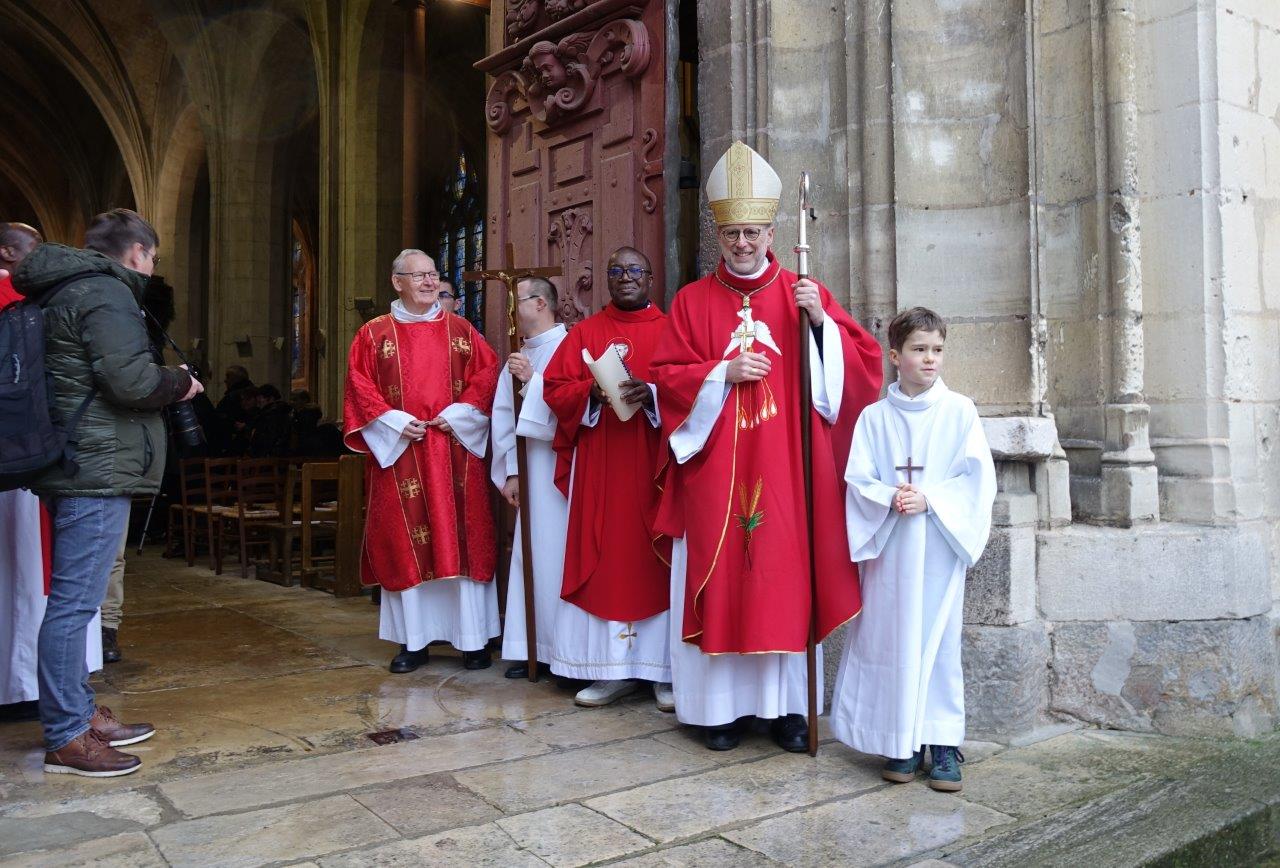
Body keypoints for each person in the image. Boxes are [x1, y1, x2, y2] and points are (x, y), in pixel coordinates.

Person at [651, 141, 883, 751]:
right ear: (718, 235)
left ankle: (785, 710)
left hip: (787, 465)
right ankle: (719, 712)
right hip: (714, 468)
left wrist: (819, 324)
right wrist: (718, 375)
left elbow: (860, 368)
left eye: (754, 232)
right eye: (733, 234)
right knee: (723, 578)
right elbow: (666, 379)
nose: (744, 244)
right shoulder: (692, 301)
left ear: (774, 229)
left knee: (783, 576)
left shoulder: (803, 291)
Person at [13, 208, 203, 776]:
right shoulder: (104, 293)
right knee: (74, 605)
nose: (152, 267)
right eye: (153, 258)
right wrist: (180, 384)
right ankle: (68, 735)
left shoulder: (61, 289)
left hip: (76, 458)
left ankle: (78, 713)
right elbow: (132, 381)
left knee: (78, 601)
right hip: (93, 464)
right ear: (139, 252)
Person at [833, 307, 996, 792]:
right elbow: (858, 480)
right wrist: (891, 496)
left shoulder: (959, 412)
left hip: (939, 547)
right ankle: (898, 740)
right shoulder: (874, 418)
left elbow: (977, 481)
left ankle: (943, 742)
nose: (931, 360)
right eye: (920, 350)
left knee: (938, 642)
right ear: (895, 356)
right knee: (890, 642)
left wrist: (931, 499)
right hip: (891, 548)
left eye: (938, 350)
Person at [343, 249, 500, 673]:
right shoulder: (373, 335)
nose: (431, 282)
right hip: (402, 453)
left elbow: (486, 376)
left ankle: (472, 639)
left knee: (461, 540)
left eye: (434, 275)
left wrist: (457, 415)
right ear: (397, 282)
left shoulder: (462, 329)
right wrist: (393, 423)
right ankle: (413, 643)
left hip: (453, 449)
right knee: (406, 543)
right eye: (420, 276)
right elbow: (359, 386)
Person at [542, 247, 673, 710]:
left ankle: (663, 672)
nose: (625, 277)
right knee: (604, 554)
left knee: (658, 559)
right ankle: (607, 669)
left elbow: (694, 385)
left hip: (655, 465)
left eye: (634, 270)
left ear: (651, 277)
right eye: (615, 270)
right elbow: (553, 389)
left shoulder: (671, 329)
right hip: (600, 464)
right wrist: (591, 393)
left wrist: (654, 393)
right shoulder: (586, 331)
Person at [0, 222, 103, 722]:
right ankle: (47, 698)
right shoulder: (25, 299)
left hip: (26, 454)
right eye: (32, 252)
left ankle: (53, 694)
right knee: (40, 580)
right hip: (26, 455)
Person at [490, 277, 569, 679]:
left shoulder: (572, 346)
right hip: (531, 468)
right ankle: (529, 646)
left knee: (559, 555)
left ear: (539, 303)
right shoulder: (519, 355)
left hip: (563, 466)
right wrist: (513, 472)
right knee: (531, 553)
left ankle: (564, 650)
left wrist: (532, 383)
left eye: (514, 302)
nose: (509, 311)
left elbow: (576, 404)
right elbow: (504, 416)